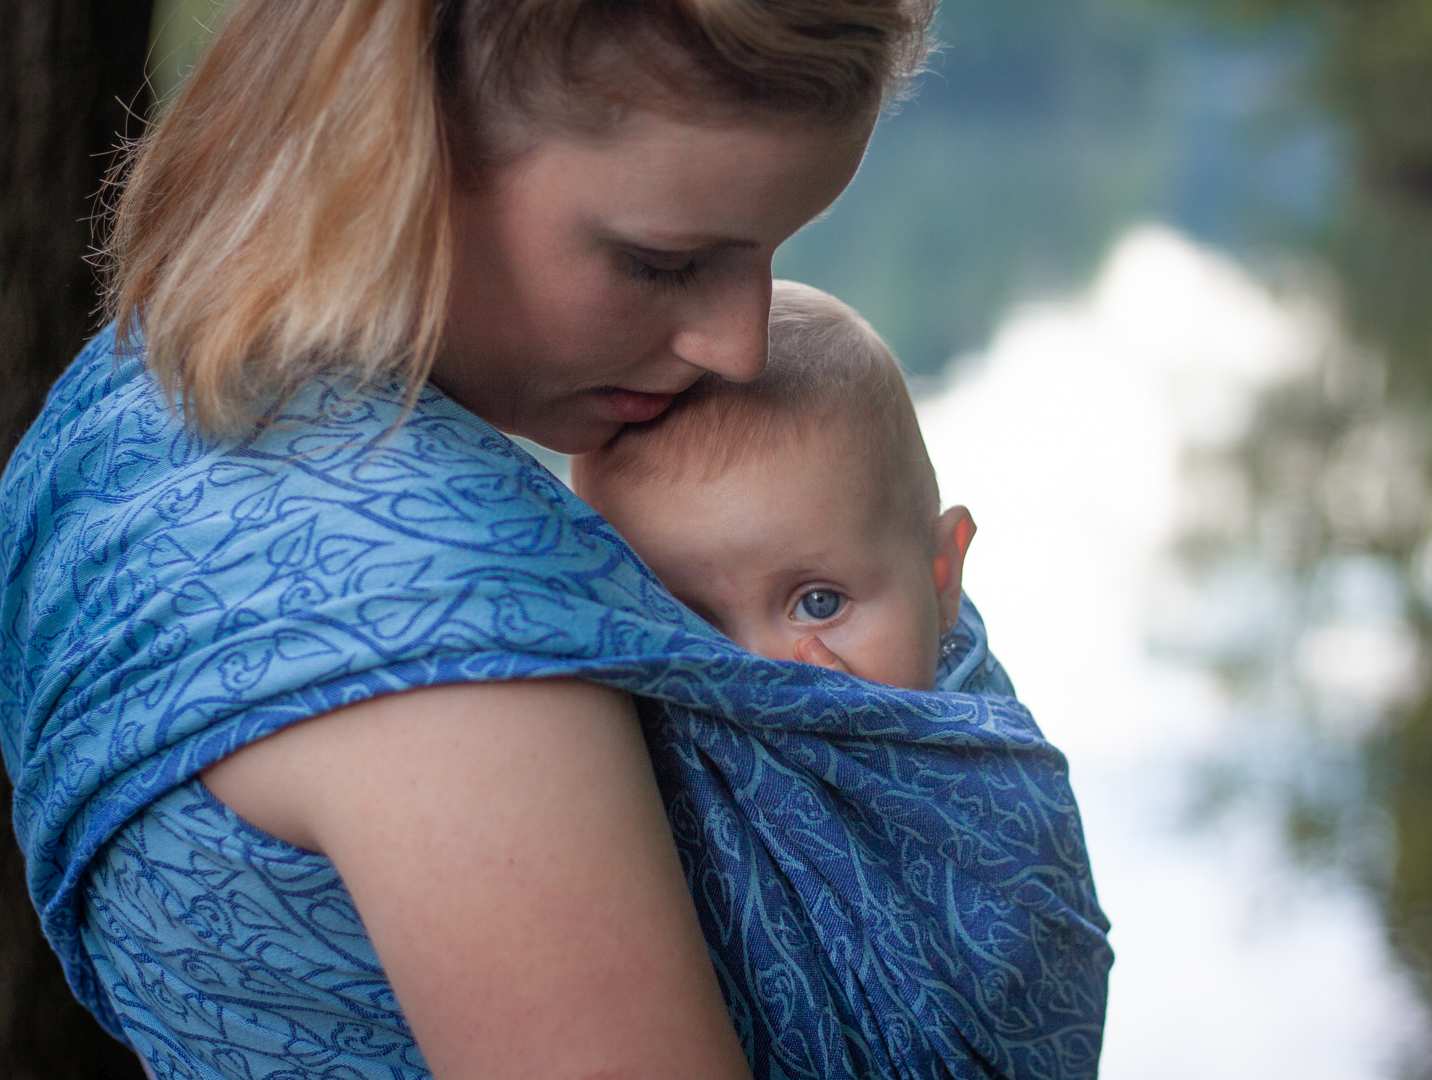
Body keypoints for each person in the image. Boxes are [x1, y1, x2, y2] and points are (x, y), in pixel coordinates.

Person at [0, 3, 1112, 1078]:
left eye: (771, 249)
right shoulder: (451, 641)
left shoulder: (128, 403)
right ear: (406, 137)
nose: (740, 344)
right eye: (663, 260)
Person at [572, 280, 980, 693]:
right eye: (686, 622)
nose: (760, 669)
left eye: (819, 603)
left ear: (942, 576)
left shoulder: (987, 727)